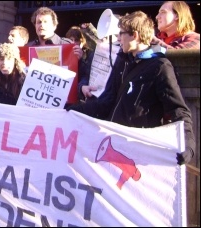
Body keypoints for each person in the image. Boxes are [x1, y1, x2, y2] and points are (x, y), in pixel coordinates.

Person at [67, 11, 195, 165]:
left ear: (134, 35)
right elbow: (106, 103)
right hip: (114, 142)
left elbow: (178, 110)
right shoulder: (122, 61)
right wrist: (72, 109)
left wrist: (188, 146)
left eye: (121, 34)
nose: (118, 39)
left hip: (138, 150)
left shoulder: (160, 67)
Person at [65, 26, 95, 95]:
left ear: (81, 41)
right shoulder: (64, 52)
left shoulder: (89, 53)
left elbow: (86, 74)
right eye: (70, 39)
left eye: (76, 40)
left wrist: (80, 60)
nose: (73, 42)